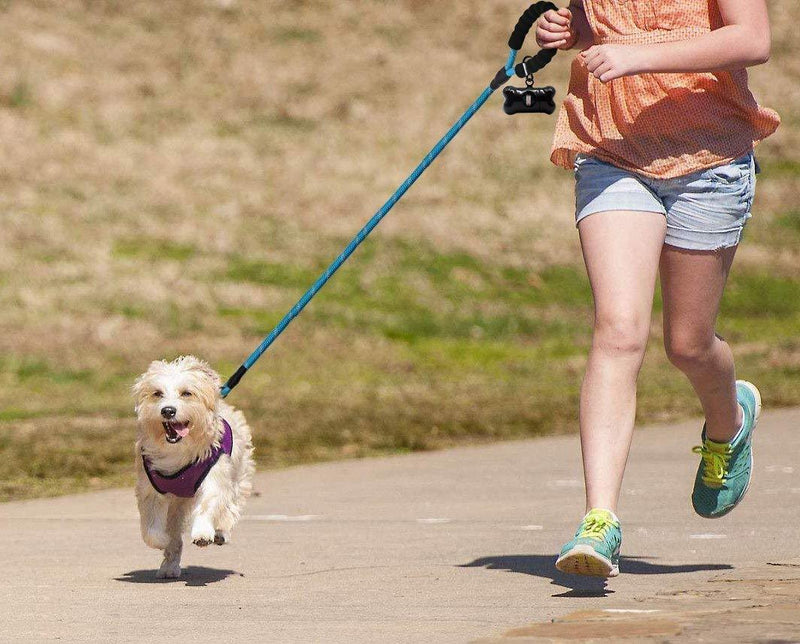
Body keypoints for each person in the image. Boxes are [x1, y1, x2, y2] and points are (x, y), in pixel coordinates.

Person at [534, 0, 780, 577]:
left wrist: (638, 58)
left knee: (688, 345)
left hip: (709, 155)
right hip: (611, 149)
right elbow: (601, 27)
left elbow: (752, 39)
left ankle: (729, 422)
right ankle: (600, 521)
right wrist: (567, 29)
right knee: (618, 332)